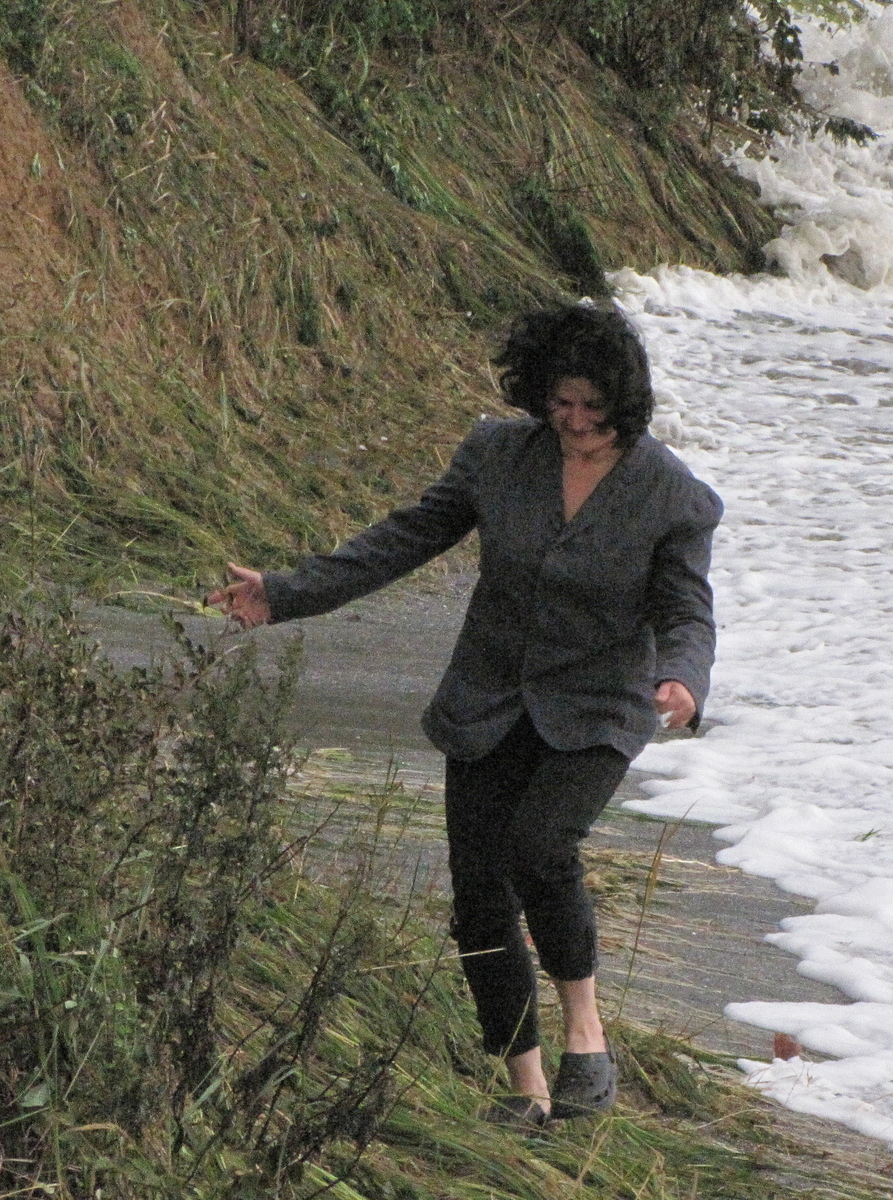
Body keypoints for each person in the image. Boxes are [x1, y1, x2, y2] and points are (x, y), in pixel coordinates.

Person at [208, 304, 722, 1128]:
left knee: (541, 846)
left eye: (593, 407)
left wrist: (683, 679)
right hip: (489, 700)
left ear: (626, 401)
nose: (576, 423)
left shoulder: (672, 496)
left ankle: (586, 1039)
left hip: (597, 708)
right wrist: (286, 591)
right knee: (479, 899)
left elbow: (688, 611)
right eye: (561, 404)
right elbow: (403, 540)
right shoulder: (498, 455)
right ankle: (527, 1092)